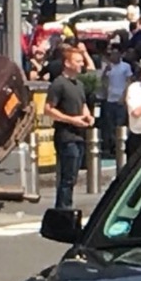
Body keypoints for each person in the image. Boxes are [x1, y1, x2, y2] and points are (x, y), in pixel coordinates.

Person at [44, 47, 93, 210]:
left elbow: (83, 104)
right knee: (67, 176)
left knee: (73, 176)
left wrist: (87, 116)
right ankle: (63, 208)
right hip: (66, 135)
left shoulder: (79, 84)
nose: (81, 64)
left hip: (79, 135)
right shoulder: (58, 84)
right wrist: (71, 120)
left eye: (81, 61)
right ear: (67, 63)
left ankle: (66, 206)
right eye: (77, 61)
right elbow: (48, 109)